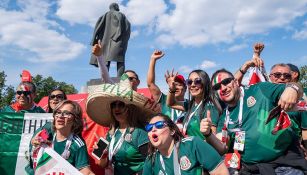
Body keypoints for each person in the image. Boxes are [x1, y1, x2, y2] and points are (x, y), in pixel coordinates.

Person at [211, 68, 307, 174]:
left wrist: (292, 89)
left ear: (235, 81)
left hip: (284, 166)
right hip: (251, 169)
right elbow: (222, 144)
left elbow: (295, 87)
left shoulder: (259, 89)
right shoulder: (224, 116)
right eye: (217, 87)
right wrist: (207, 135)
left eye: (226, 82)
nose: (223, 88)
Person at [142, 113, 229, 175]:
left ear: (172, 131)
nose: (153, 129)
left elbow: (221, 172)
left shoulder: (193, 144)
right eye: (149, 128)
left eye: (159, 125)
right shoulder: (151, 160)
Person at [166, 69, 226, 155]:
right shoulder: (190, 105)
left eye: (197, 81)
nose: (193, 85)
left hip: (202, 155)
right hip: (189, 152)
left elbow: (214, 140)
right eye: (189, 82)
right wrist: (171, 89)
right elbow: (170, 103)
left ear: (205, 83)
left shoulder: (210, 107)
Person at [28, 100, 94, 175]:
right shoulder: (47, 132)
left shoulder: (77, 144)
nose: (60, 116)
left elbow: (86, 172)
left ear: (75, 119)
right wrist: (34, 142)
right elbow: (34, 144)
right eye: (58, 112)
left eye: (66, 113)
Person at [95, 100, 149, 174]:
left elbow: (152, 161)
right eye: (113, 105)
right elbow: (102, 165)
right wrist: (103, 154)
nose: (116, 108)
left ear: (130, 108)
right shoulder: (110, 134)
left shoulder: (140, 131)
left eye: (121, 105)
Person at [90, 2, 131, 77]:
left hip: (105, 41)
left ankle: (105, 78)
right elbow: (124, 25)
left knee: (105, 60)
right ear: (115, 6)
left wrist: (93, 40)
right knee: (120, 59)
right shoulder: (119, 14)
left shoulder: (104, 16)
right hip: (117, 39)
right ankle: (120, 78)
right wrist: (118, 35)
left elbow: (97, 28)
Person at [147, 50, 187, 121]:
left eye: (178, 85)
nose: (175, 87)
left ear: (185, 88)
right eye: (173, 85)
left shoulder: (190, 104)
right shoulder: (163, 99)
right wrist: (153, 60)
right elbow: (150, 84)